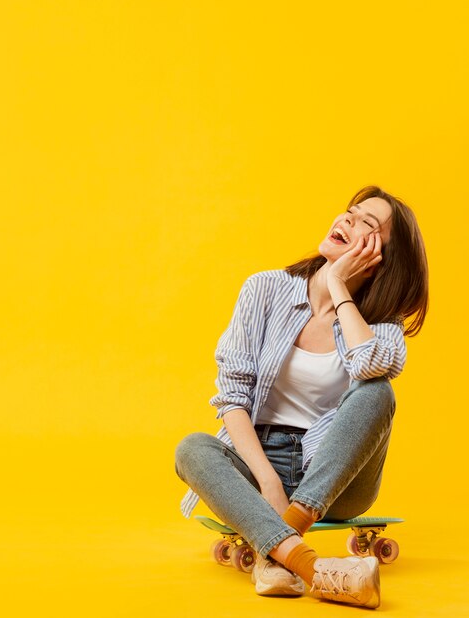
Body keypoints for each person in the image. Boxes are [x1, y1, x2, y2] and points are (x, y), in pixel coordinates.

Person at [175, 185, 429, 609]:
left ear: (383, 258)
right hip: (259, 468)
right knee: (192, 449)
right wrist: (270, 482)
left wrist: (339, 287)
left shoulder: (382, 321)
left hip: (336, 478)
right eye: (350, 213)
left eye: (367, 224)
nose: (347, 221)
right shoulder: (265, 289)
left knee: (377, 391)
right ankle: (310, 566)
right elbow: (233, 397)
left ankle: (277, 543)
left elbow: (370, 366)